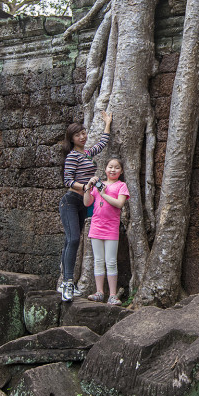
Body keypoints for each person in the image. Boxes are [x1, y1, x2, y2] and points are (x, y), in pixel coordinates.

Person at [59, 110, 112, 302]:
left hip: (83, 204)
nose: (82, 136)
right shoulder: (73, 156)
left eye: (83, 133)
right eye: (77, 134)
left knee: (71, 241)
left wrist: (107, 122)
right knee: (73, 240)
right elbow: (67, 181)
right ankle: (67, 284)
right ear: (71, 139)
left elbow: (102, 143)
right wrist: (86, 185)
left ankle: (64, 280)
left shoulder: (87, 154)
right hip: (71, 202)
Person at [83, 157, 129, 306]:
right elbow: (87, 202)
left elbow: (120, 203)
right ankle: (99, 292)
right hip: (96, 227)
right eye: (110, 167)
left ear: (121, 171)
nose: (113, 170)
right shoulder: (98, 185)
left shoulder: (121, 186)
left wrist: (103, 194)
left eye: (116, 167)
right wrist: (89, 187)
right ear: (105, 169)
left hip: (111, 229)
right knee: (98, 261)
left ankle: (113, 295)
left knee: (110, 261)